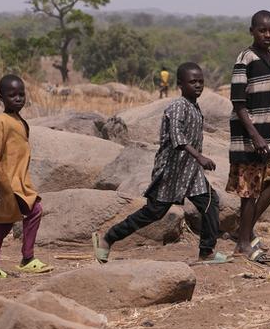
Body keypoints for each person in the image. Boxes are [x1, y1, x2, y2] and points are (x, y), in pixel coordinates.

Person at [92, 62, 228, 264]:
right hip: (171, 172)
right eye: (193, 82)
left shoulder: (194, 107)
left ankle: (206, 251)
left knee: (210, 202)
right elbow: (176, 136)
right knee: (153, 213)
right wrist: (199, 156)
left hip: (190, 172)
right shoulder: (177, 107)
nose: (198, 85)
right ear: (180, 84)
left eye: (201, 81)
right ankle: (108, 238)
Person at [227, 10, 270, 265]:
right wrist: (255, 137)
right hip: (247, 135)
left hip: (265, 136)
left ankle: (245, 231)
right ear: (251, 30)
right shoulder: (245, 59)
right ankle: (242, 242)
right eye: (262, 30)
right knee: (249, 191)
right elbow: (238, 103)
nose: (267, 35)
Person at [0, 74, 52, 278]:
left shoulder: (18, 120)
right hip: (6, 183)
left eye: (21, 94)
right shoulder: (0, 121)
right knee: (7, 220)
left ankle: (17, 260)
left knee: (27, 213)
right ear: (1, 98)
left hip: (20, 182)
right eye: (12, 95)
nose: (18, 98)